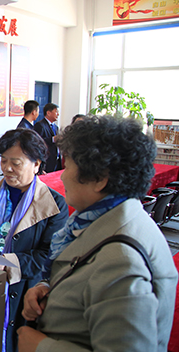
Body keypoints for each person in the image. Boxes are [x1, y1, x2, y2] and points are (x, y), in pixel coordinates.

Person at [18, 115, 178, 352]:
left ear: (100, 179)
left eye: (68, 167)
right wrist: (49, 287)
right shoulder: (105, 218)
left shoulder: (121, 261)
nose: (62, 176)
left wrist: (41, 346)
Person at [0, 128, 68, 352]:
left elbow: (48, 257)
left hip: (23, 293)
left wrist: (6, 263)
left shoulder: (54, 205)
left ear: (36, 164)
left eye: (16, 163)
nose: (7, 168)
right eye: (3, 160)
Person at [33, 103, 60, 172]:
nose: (58, 114)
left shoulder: (56, 127)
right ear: (48, 113)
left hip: (55, 160)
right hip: (46, 161)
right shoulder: (40, 125)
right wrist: (52, 139)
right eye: (56, 112)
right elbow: (37, 142)